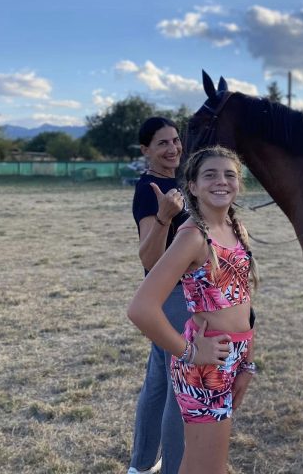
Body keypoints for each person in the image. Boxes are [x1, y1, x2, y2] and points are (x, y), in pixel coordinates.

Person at [128, 145, 259, 474]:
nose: (221, 181)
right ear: (193, 186)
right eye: (210, 174)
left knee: (203, 461)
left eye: (230, 174)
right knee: (208, 466)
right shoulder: (192, 237)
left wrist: (247, 362)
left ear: (239, 183)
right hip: (205, 365)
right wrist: (188, 351)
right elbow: (141, 309)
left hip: (232, 357)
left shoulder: (235, 228)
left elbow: (243, 298)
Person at [128, 117, 190, 474]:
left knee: (159, 382)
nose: (172, 149)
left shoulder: (178, 181)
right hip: (173, 297)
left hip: (178, 295)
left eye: (176, 140)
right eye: (163, 143)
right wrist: (165, 216)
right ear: (146, 150)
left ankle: (141, 465)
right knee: (180, 388)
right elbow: (149, 259)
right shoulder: (149, 188)